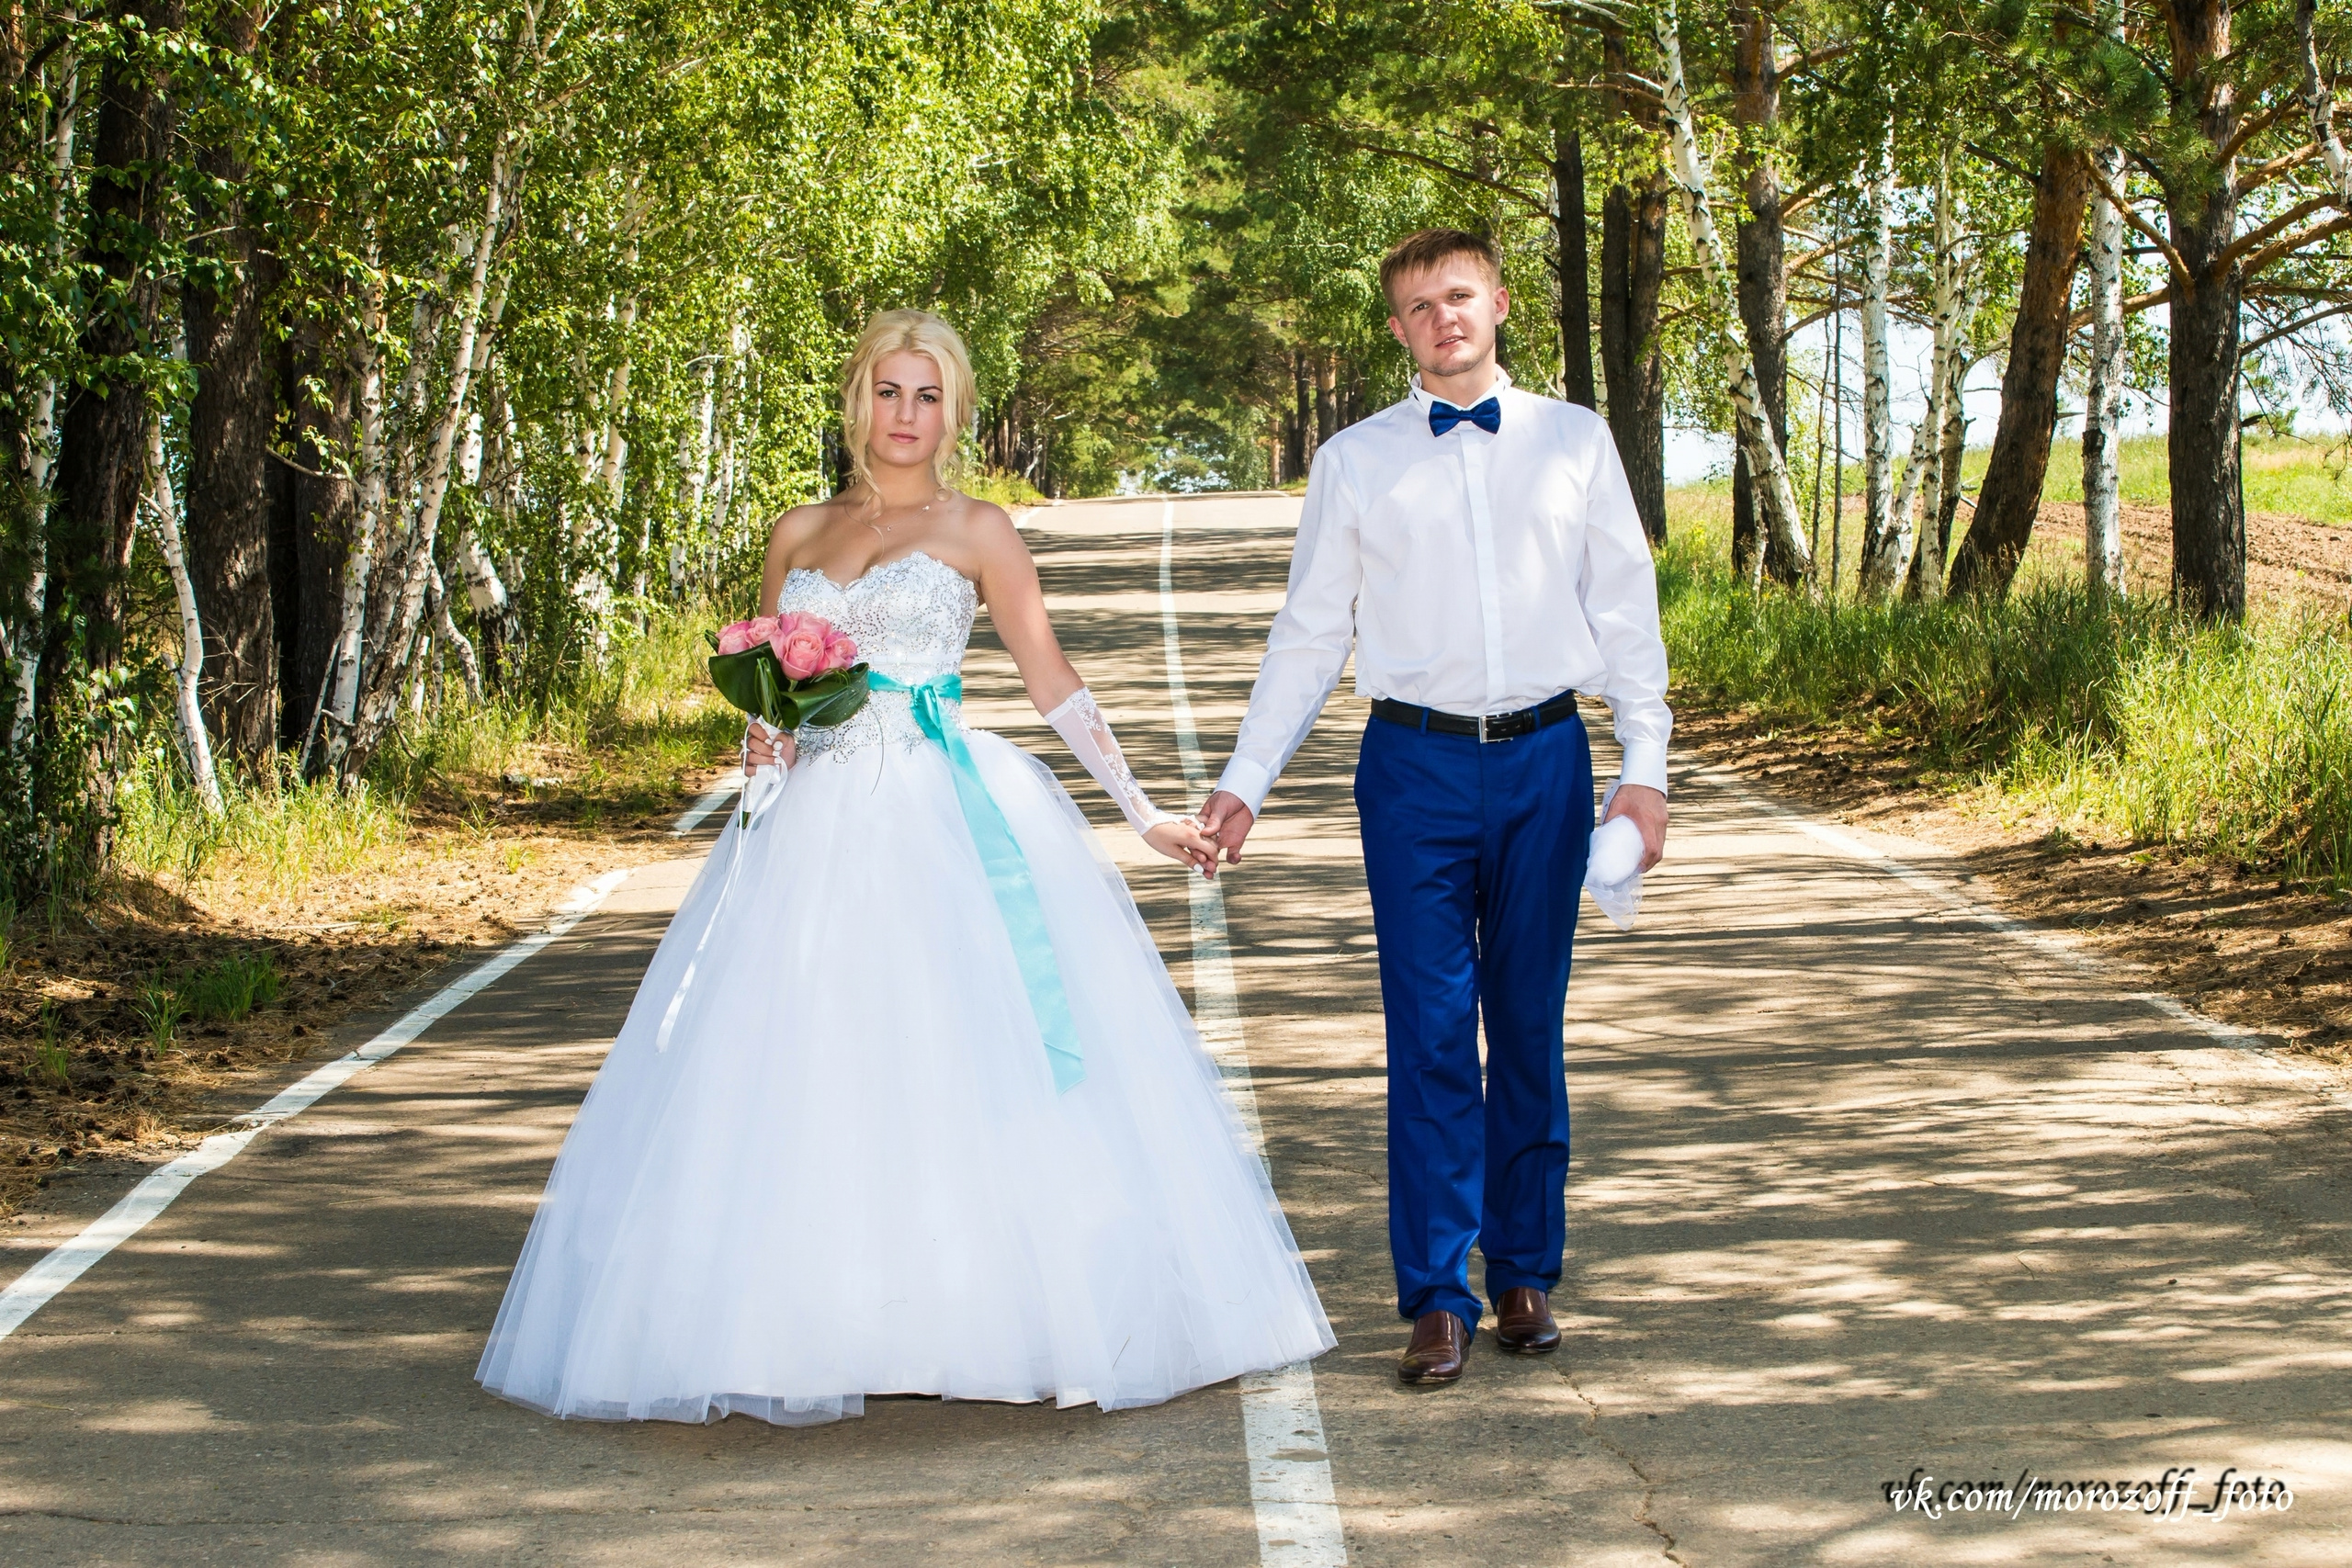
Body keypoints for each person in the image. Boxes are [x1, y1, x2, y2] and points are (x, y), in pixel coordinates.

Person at [478, 309, 1334, 1427]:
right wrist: (762, 748)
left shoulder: (980, 529)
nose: (906, 415)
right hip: (811, 824)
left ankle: (972, 1314)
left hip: (941, 809)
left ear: (956, 411)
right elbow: (771, 692)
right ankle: (808, 1318)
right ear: (858, 399)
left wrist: (1141, 814)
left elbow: (1049, 676)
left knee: (951, 1051)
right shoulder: (795, 532)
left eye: (929, 396)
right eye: (889, 391)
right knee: (803, 1062)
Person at [1196, 229, 1671, 1388]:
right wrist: (1245, 780)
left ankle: (1524, 1273)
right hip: (1412, 769)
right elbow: (1310, 633)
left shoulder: (1574, 439)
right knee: (1429, 1034)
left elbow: (1624, 607)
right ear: (1397, 328)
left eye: (1458, 295)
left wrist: (1646, 767)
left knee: (1527, 1025)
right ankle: (1436, 1296)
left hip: (1546, 759)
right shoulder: (1354, 460)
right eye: (1417, 306)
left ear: (1498, 302)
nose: (1441, 317)